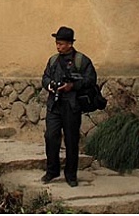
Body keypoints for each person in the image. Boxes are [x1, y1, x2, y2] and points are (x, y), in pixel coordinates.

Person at [41, 26, 97, 187]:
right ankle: (52, 171)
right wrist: (50, 86)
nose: (58, 47)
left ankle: (71, 175)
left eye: (61, 44)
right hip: (54, 105)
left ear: (70, 44)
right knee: (50, 137)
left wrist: (72, 86)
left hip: (72, 105)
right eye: (57, 43)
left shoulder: (81, 61)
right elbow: (45, 77)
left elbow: (91, 80)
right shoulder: (52, 60)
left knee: (71, 140)